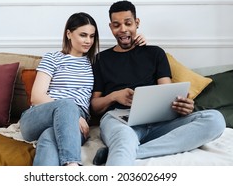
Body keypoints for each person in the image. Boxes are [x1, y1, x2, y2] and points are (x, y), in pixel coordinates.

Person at [90, 0, 226, 166]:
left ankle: (129, 152)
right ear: (111, 27)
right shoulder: (101, 59)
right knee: (124, 140)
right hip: (119, 120)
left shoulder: (155, 53)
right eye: (117, 25)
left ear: (137, 23)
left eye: (128, 23)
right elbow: (95, 106)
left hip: (158, 123)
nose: (123, 29)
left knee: (215, 119)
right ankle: (125, 148)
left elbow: (167, 92)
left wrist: (182, 105)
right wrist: (113, 96)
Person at [19, 12, 146, 166]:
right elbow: (37, 97)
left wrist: (137, 42)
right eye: (83, 35)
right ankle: (72, 165)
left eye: (92, 36)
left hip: (75, 127)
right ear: (69, 34)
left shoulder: (94, 63)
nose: (88, 41)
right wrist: (71, 114)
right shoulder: (52, 58)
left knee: (48, 137)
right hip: (39, 116)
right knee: (67, 104)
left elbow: (122, 61)